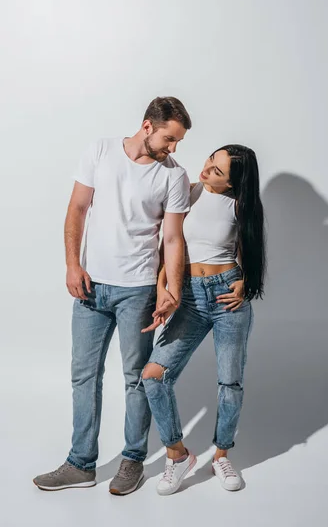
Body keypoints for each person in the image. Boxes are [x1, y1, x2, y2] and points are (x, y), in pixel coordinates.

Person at [33, 96, 192, 495]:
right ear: (147, 126)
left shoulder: (173, 176)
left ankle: (132, 462)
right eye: (170, 139)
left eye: (177, 142)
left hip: (137, 290)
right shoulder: (100, 150)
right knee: (83, 376)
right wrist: (73, 264)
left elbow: (172, 238)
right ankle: (81, 464)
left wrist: (170, 288)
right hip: (90, 287)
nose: (173, 149)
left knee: (135, 379)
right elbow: (77, 209)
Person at [141, 144, 266, 495]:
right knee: (153, 376)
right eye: (210, 161)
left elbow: (250, 250)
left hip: (227, 298)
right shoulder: (186, 191)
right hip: (190, 298)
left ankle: (222, 455)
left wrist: (244, 283)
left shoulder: (239, 206)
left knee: (229, 383)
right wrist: (164, 285)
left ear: (232, 184)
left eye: (218, 171)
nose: (207, 170)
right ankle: (177, 455)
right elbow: (170, 244)